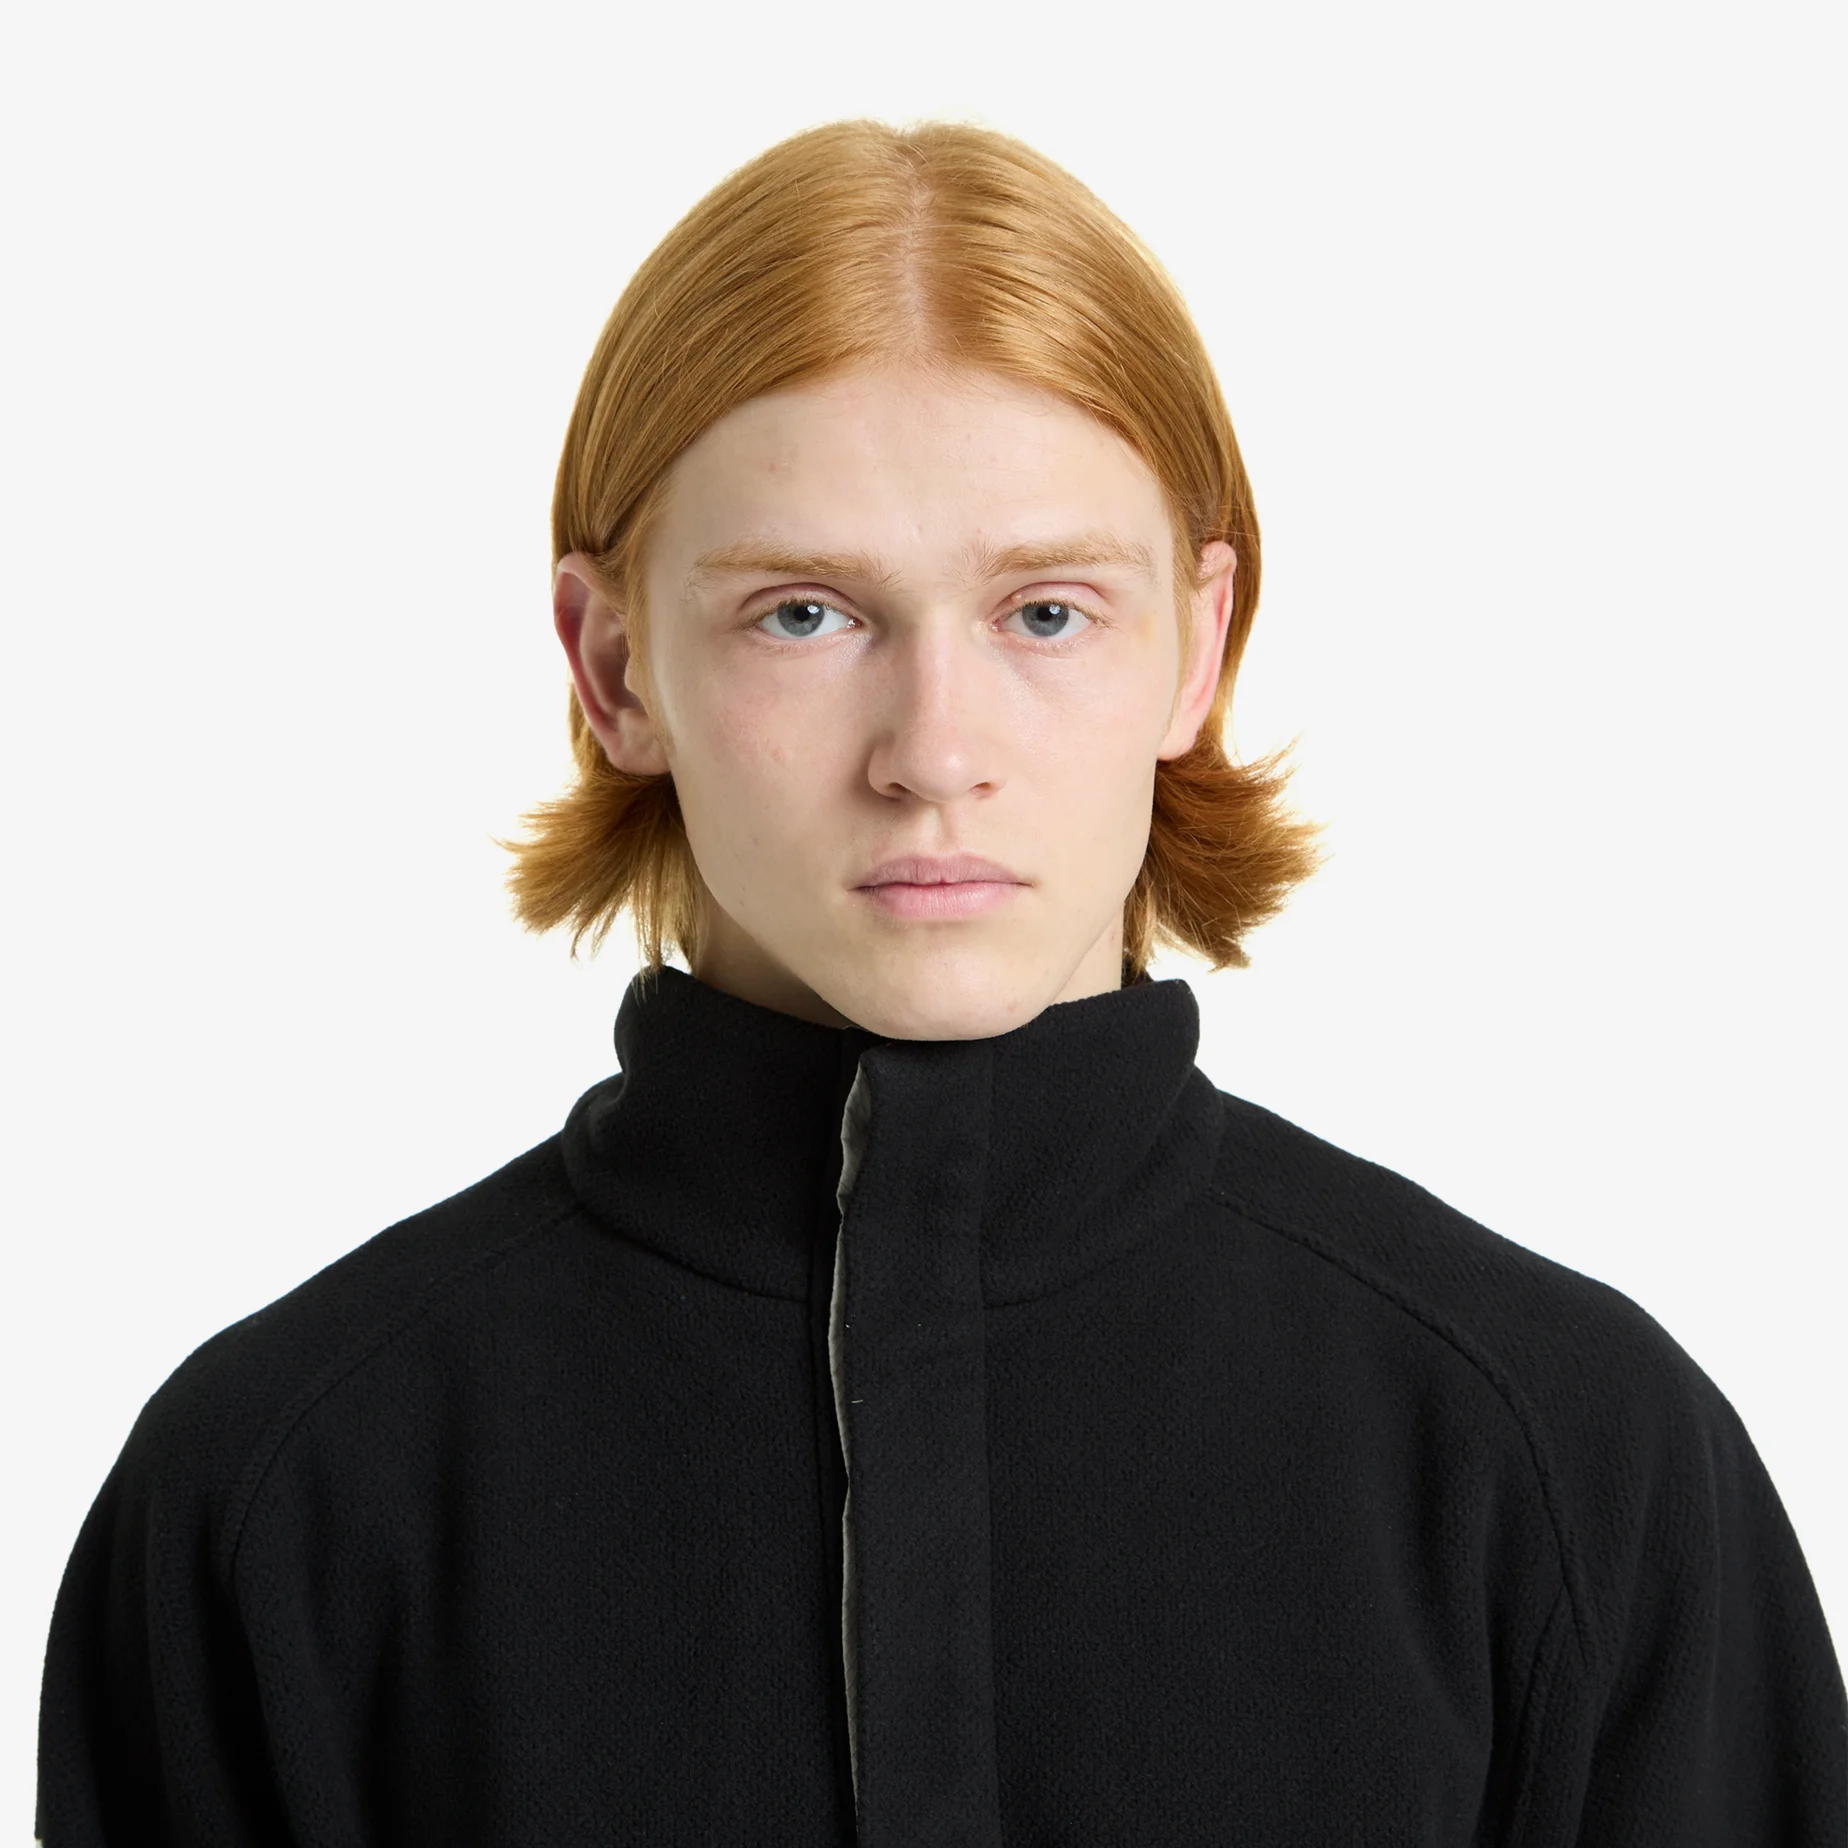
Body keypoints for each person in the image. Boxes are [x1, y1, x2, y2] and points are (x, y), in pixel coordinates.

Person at [35, 117, 1846, 1847]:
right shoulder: (276, 1494)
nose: (932, 753)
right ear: (614, 669)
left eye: (1047, 610)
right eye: (804, 613)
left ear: (1198, 646)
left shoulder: (1572, 1459)